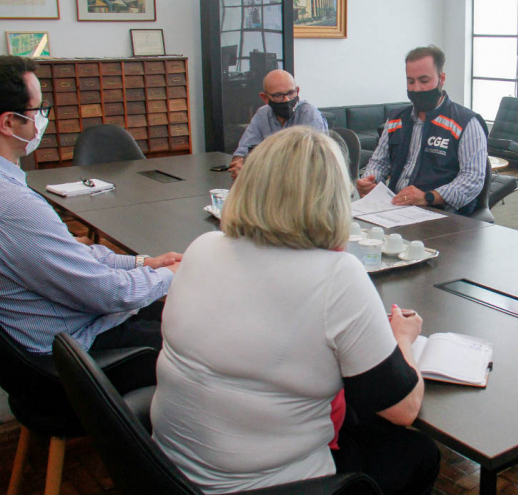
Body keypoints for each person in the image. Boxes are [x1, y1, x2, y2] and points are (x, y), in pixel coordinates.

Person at [151, 127, 439, 494]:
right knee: (419, 452)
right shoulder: (337, 276)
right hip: (265, 486)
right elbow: (403, 410)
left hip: (167, 471)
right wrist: (403, 338)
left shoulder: (202, 247)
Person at [0, 56, 181, 354]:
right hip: (77, 344)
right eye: (39, 109)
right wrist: (171, 273)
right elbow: (109, 294)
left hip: (64, 324)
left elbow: (69, 256)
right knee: (204, 336)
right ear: (9, 122)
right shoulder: (16, 206)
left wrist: (142, 263)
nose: (43, 118)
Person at [357, 45, 488, 215]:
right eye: (410, 81)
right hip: (395, 207)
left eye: (424, 81)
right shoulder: (396, 119)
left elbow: (472, 179)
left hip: (442, 213)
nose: (416, 88)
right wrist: (370, 180)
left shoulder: (466, 123)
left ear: (441, 79)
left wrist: (429, 197)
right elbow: (379, 162)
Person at [229, 69, 327, 178]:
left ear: (298, 91)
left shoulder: (309, 114)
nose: (286, 99)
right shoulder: (262, 114)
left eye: (291, 93)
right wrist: (241, 166)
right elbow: (241, 154)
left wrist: (255, 169)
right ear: (265, 98)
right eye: (278, 95)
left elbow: (310, 164)